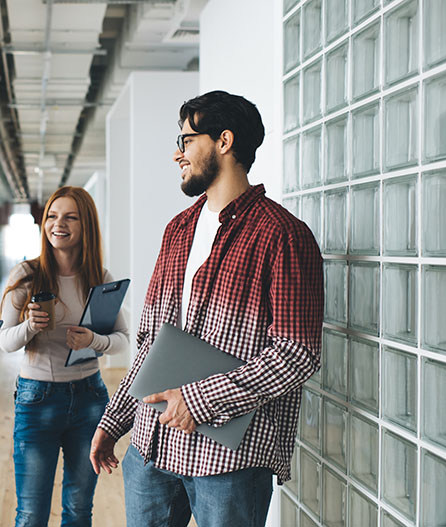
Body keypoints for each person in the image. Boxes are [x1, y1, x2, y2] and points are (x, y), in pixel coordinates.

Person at [89, 90, 324, 527]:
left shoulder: (283, 236)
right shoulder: (177, 230)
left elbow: (296, 354)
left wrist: (197, 401)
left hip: (228, 462)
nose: (177, 153)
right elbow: (149, 344)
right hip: (151, 447)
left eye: (186, 140)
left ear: (225, 141)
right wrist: (114, 420)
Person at [0, 186, 130, 527]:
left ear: (86, 225)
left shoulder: (100, 279)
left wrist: (94, 340)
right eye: (53, 216)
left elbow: (122, 340)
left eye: (70, 217)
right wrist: (29, 327)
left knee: (79, 510)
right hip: (37, 399)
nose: (59, 224)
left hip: (89, 399)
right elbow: (4, 342)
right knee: (30, 514)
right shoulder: (25, 275)